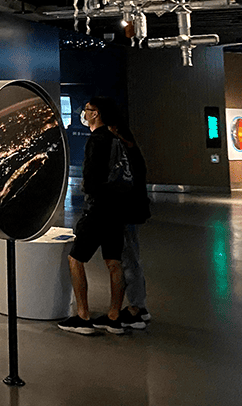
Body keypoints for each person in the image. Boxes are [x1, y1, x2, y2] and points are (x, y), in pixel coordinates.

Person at [57, 96, 130, 335]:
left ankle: (83, 316)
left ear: (96, 113)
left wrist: (89, 195)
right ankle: (114, 316)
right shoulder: (115, 139)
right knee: (114, 261)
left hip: (99, 208)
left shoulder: (97, 140)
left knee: (76, 258)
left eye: (87, 110)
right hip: (117, 208)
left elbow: (91, 177)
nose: (84, 113)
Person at [116, 124, 152, 329]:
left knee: (129, 259)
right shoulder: (134, 155)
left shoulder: (127, 159)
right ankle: (139, 306)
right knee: (131, 257)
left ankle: (136, 308)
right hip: (131, 212)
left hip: (126, 212)